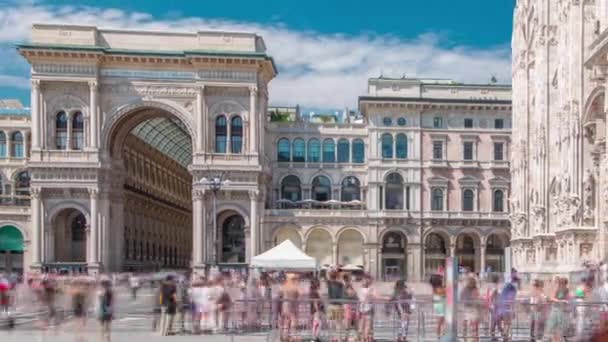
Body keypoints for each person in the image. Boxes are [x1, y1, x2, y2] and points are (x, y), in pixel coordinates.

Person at [546, 277, 571, 342]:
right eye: (562, 283)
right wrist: (558, 300)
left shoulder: (566, 290)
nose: (563, 285)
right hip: (556, 309)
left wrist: (564, 301)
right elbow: (551, 298)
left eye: (564, 284)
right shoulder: (557, 289)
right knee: (554, 325)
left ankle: (558, 339)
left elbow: (568, 299)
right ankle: (555, 339)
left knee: (559, 326)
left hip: (561, 310)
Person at [279, 273, 299, 341]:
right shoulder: (294, 287)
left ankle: (285, 337)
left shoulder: (284, 286)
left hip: (285, 305)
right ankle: (292, 337)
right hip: (292, 305)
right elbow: (297, 295)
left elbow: (280, 294)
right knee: (293, 320)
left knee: (286, 321)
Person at [358, 276, 378, 342]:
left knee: (363, 325)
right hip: (367, 308)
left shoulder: (360, 289)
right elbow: (375, 296)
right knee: (367, 325)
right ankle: (366, 338)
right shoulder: (369, 289)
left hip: (362, 309)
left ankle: (364, 338)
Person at [460, 276, 480, 342]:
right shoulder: (474, 289)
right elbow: (477, 299)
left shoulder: (465, 290)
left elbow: (462, 300)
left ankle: (468, 339)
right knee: (474, 330)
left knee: (469, 330)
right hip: (472, 311)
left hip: (468, 311)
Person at [326, 270, 344, 341]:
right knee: (338, 323)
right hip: (338, 305)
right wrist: (338, 275)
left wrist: (331, 269)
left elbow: (327, 275)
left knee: (330, 323)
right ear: (336, 276)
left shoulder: (329, 283)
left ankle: (331, 339)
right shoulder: (340, 284)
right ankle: (338, 339)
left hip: (331, 305)